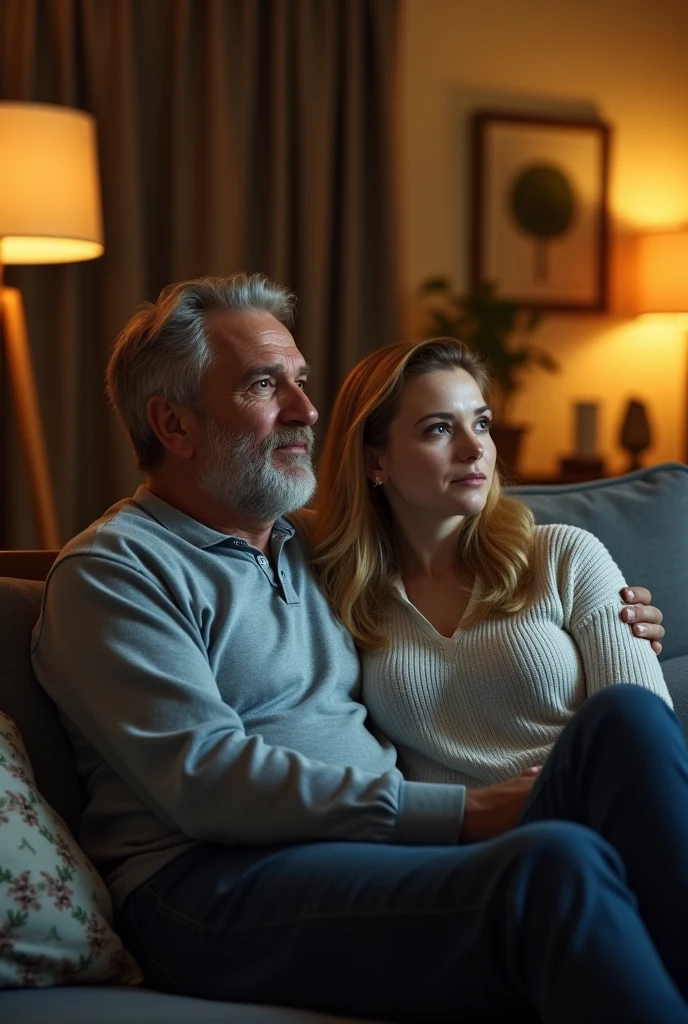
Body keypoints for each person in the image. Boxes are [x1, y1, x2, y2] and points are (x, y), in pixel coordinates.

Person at [31, 274, 685, 1024]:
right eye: (263, 387)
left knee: (625, 723)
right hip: (211, 886)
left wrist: (608, 605)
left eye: (302, 382)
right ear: (173, 426)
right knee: (551, 870)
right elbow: (205, 781)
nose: (308, 411)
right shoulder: (114, 573)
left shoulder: (314, 545)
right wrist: (458, 813)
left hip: (370, 856)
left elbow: (454, 507)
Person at [310, 335, 672, 787]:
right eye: (438, 429)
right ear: (373, 460)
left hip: (590, 809)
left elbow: (646, 731)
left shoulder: (562, 554)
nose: (473, 447)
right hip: (462, 842)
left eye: (481, 424)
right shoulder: (341, 591)